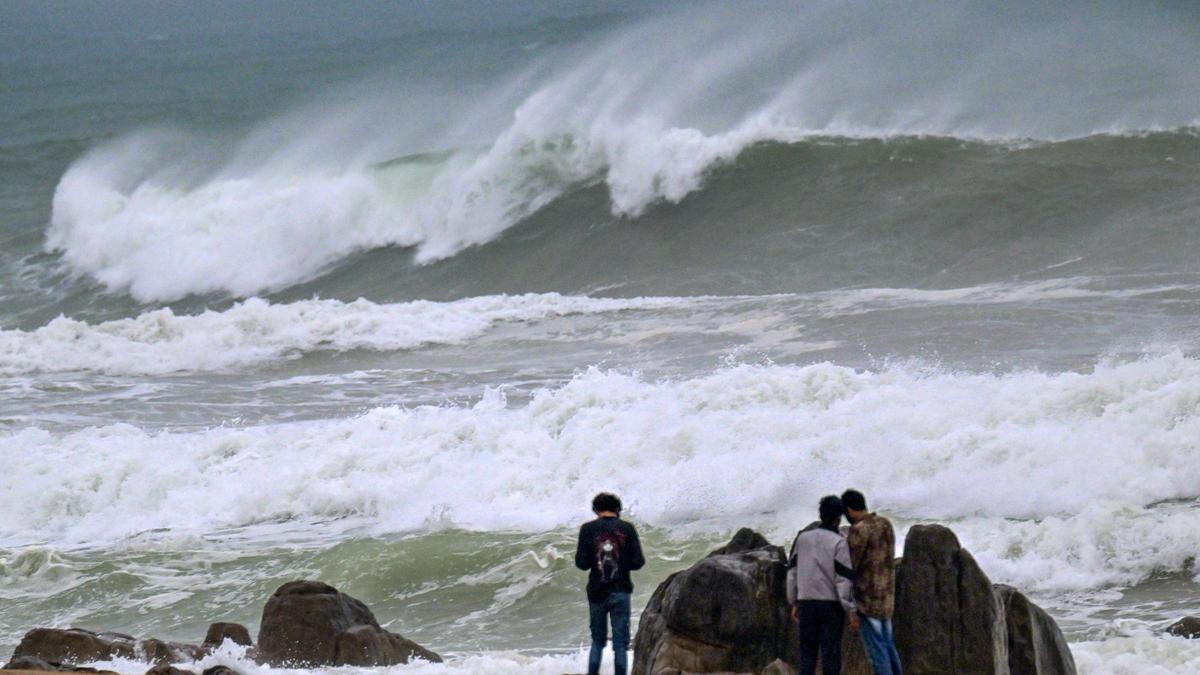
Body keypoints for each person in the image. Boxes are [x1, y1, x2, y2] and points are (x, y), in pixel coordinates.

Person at [575, 492, 645, 675]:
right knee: (620, 644)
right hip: (620, 590)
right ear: (617, 509)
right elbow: (638, 562)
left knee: (597, 642)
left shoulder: (587, 529)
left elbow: (581, 564)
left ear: (596, 509)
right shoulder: (627, 528)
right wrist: (621, 563)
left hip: (596, 592)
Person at [787, 495, 858, 675]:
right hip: (830, 606)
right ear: (838, 518)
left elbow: (792, 572)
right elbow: (843, 579)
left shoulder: (803, 538)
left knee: (807, 655)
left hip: (806, 603)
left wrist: (793, 601)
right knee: (831, 656)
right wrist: (851, 610)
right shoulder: (839, 542)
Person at [842, 489, 902, 675]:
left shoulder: (859, 530)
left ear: (850, 510)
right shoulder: (885, 524)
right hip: (887, 598)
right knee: (889, 645)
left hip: (868, 601)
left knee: (877, 653)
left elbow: (850, 566)